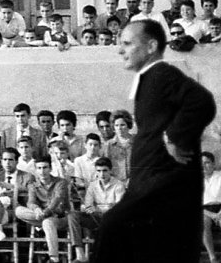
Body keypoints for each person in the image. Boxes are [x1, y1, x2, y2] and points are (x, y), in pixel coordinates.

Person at [92, 19, 217, 263]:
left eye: (128, 43)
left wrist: (174, 137)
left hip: (164, 181)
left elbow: (202, 101)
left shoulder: (162, 74)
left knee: (112, 226)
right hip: (152, 180)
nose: (120, 50)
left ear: (151, 46)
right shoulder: (149, 78)